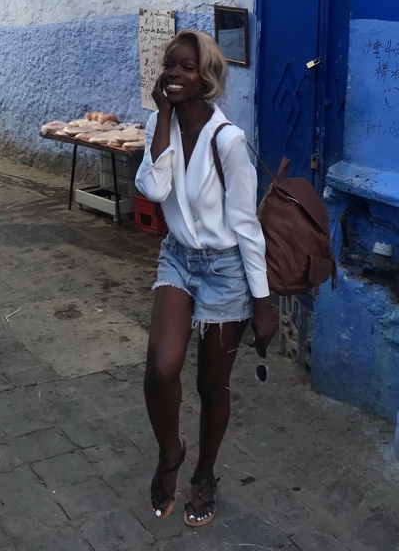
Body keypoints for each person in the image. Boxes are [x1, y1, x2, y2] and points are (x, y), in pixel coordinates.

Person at [135, 28, 276, 528]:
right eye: (169, 65)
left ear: (207, 78)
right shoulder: (159, 123)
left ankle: (205, 476)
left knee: (212, 386)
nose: (174, 73)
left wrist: (263, 303)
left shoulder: (228, 141)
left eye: (186, 67)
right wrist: (163, 115)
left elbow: (247, 226)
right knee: (160, 368)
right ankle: (171, 453)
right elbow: (153, 189)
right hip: (178, 258)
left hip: (225, 270)